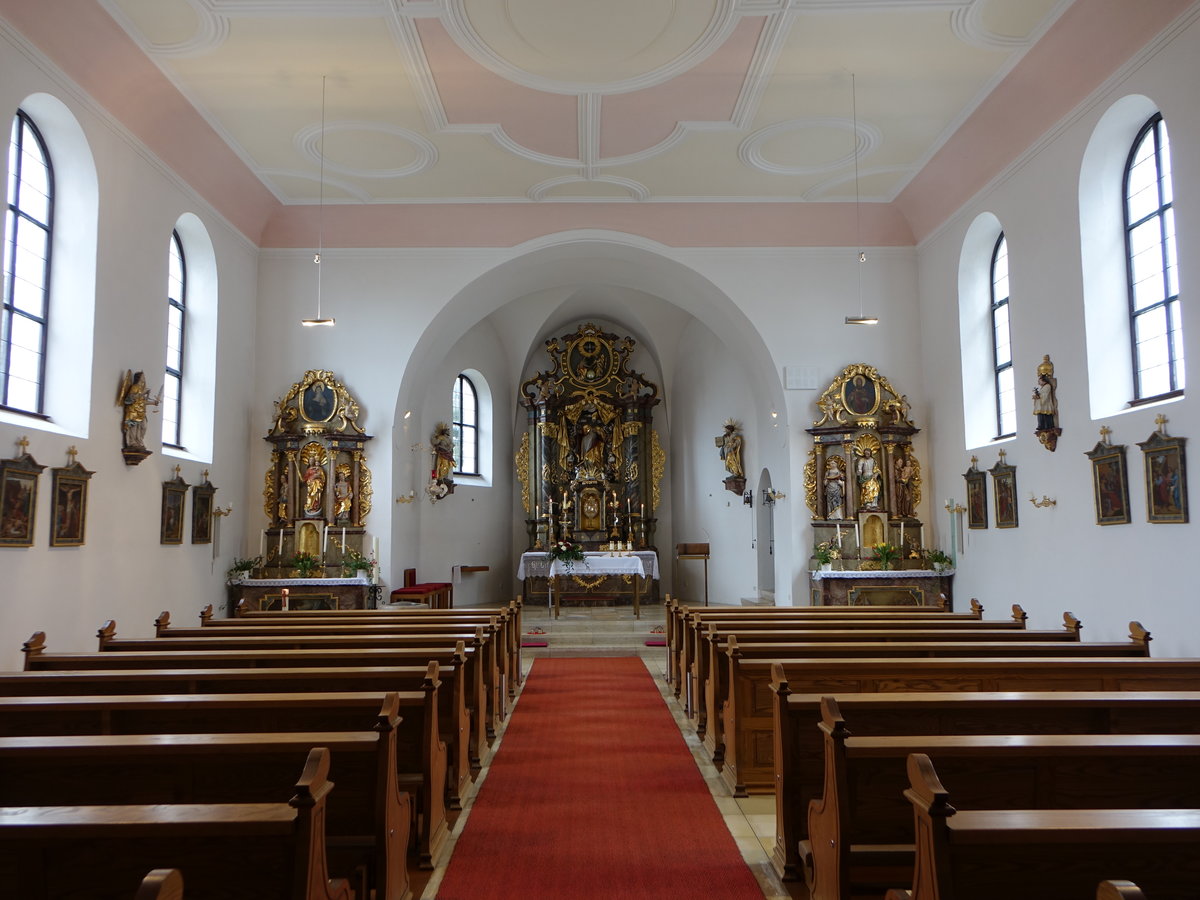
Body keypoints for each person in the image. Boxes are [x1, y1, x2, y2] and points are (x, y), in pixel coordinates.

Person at [117, 370, 160, 450]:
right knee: (133, 427)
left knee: (143, 426)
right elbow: (129, 399)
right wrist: (143, 393)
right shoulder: (135, 387)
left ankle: (139, 441)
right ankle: (132, 442)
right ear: (139, 378)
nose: (144, 379)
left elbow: (142, 402)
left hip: (141, 412)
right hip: (133, 412)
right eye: (142, 377)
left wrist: (153, 403)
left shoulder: (142, 388)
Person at [894, 449, 916, 518]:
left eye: (902, 462)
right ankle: (898, 512)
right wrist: (902, 480)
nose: (901, 463)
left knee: (908, 498)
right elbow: (896, 479)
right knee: (899, 499)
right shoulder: (895, 469)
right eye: (900, 462)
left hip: (903, 485)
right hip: (899, 485)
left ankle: (906, 512)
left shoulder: (901, 469)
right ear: (896, 462)